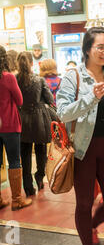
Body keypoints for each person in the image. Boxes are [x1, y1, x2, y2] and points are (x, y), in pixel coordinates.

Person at [56, 27, 104, 245]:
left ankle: (92, 226)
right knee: (84, 204)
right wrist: (90, 97)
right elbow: (63, 113)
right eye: (100, 47)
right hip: (82, 151)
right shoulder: (73, 76)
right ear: (87, 49)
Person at [16, 52, 54, 196]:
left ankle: (28, 188)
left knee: (24, 155)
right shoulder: (39, 80)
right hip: (38, 119)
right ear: (32, 63)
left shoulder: (15, 79)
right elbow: (50, 99)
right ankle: (39, 176)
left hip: (21, 120)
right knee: (41, 150)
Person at [0, 45, 32, 210]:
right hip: (10, 125)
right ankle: (17, 200)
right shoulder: (8, 78)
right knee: (14, 160)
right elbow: (19, 100)